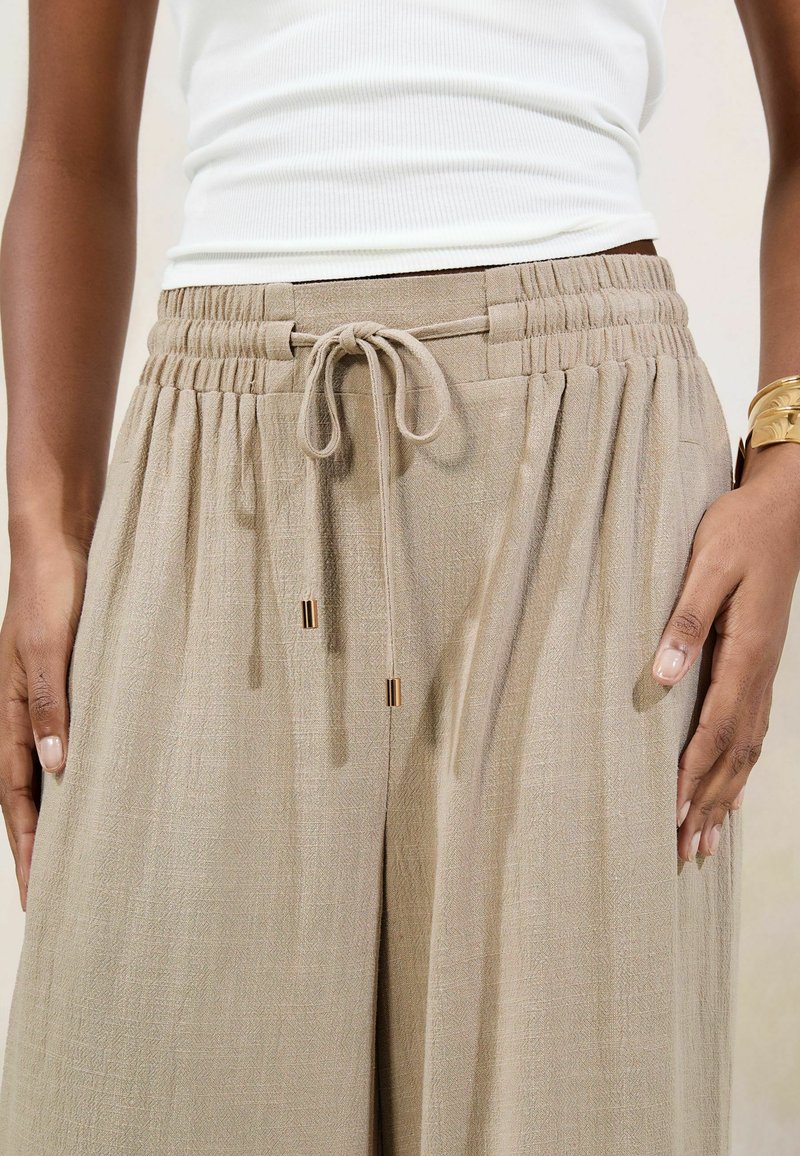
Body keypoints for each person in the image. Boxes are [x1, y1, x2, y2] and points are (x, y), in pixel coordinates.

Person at [0, 1, 798, 1152]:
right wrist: (44, 527)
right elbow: (70, 146)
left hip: (587, 447)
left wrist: (787, 462)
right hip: (221, 449)